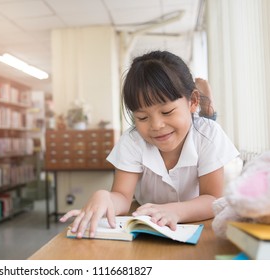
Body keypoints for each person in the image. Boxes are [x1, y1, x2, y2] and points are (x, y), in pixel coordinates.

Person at [60, 50, 239, 238]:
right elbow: (122, 197)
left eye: (167, 112)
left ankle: (208, 109)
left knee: (208, 121)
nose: (156, 126)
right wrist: (105, 198)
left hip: (199, 224)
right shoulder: (132, 140)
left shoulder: (209, 134)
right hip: (152, 227)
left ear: (192, 101)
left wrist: (176, 211)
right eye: (142, 117)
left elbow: (212, 198)